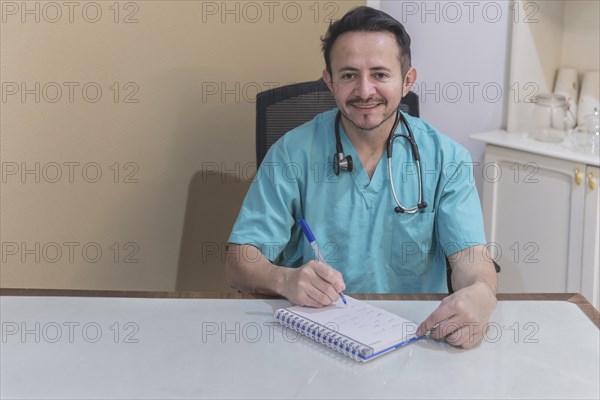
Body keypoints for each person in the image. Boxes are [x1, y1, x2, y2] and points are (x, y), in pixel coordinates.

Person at [225, 6, 497, 349]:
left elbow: (472, 261)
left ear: (407, 80)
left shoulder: (446, 159)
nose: (365, 91)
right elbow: (239, 262)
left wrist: (482, 294)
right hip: (314, 335)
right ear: (330, 81)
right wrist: (284, 278)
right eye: (349, 75)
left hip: (412, 336)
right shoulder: (292, 153)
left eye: (380, 74)